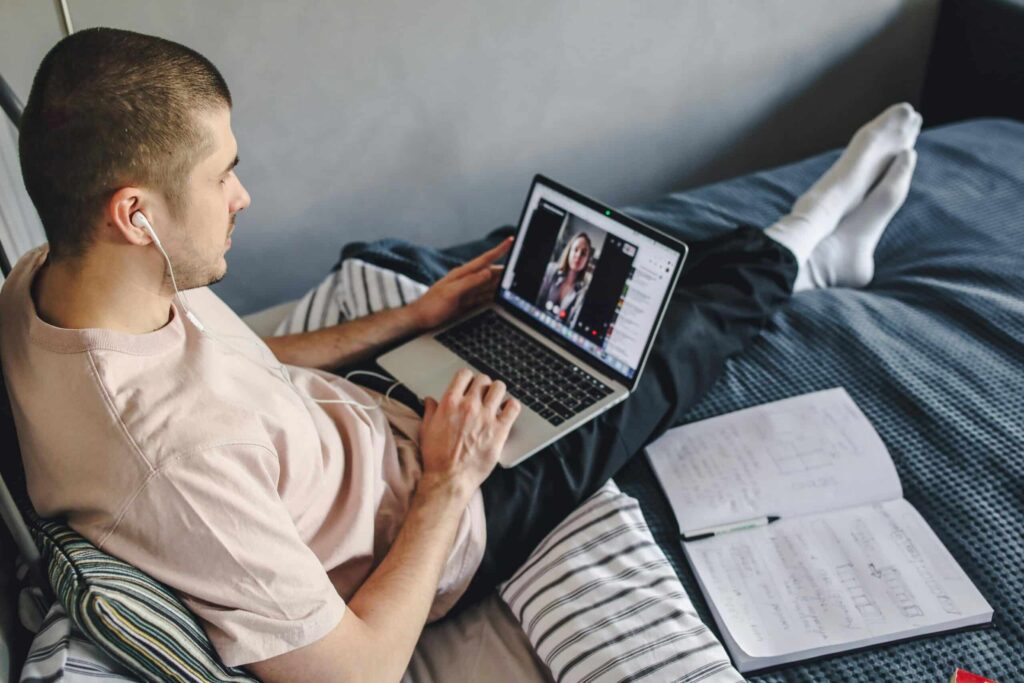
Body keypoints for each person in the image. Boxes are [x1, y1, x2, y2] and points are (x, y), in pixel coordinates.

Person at [0, 27, 920, 683]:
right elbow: (356, 671)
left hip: (363, 413)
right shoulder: (173, 467)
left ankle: (776, 255)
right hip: (430, 511)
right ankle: (807, 246)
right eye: (220, 173)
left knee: (544, 272)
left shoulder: (50, 279)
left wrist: (410, 319)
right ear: (135, 213)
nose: (242, 196)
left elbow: (242, 365)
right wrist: (451, 479)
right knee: (654, 360)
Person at [536, 231, 594, 324]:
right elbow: (537, 302)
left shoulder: (584, 290)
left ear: (587, 260)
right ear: (569, 251)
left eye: (583, 253)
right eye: (575, 249)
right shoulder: (551, 270)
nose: (578, 255)